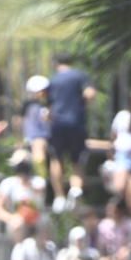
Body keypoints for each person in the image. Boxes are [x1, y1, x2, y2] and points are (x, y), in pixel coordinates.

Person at [47, 53, 97, 212]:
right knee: (77, 161)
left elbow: (48, 105)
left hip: (57, 123)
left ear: (56, 63)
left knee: (56, 159)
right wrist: (81, 105)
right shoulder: (80, 76)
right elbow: (90, 94)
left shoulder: (53, 80)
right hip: (76, 122)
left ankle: (59, 197)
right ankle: (76, 190)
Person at [0, 153, 44, 241]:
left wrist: (27, 182)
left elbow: (39, 193)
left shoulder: (38, 181)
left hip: (36, 222)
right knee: (18, 225)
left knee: (45, 224)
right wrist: (11, 218)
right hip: (18, 223)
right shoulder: (8, 183)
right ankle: (19, 249)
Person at [20, 75, 52, 180]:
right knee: (38, 150)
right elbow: (20, 121)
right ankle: (40, 179)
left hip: (49, 137)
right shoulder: (28, 105)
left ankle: (42, 179)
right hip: (35, 137)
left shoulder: (48, 104)